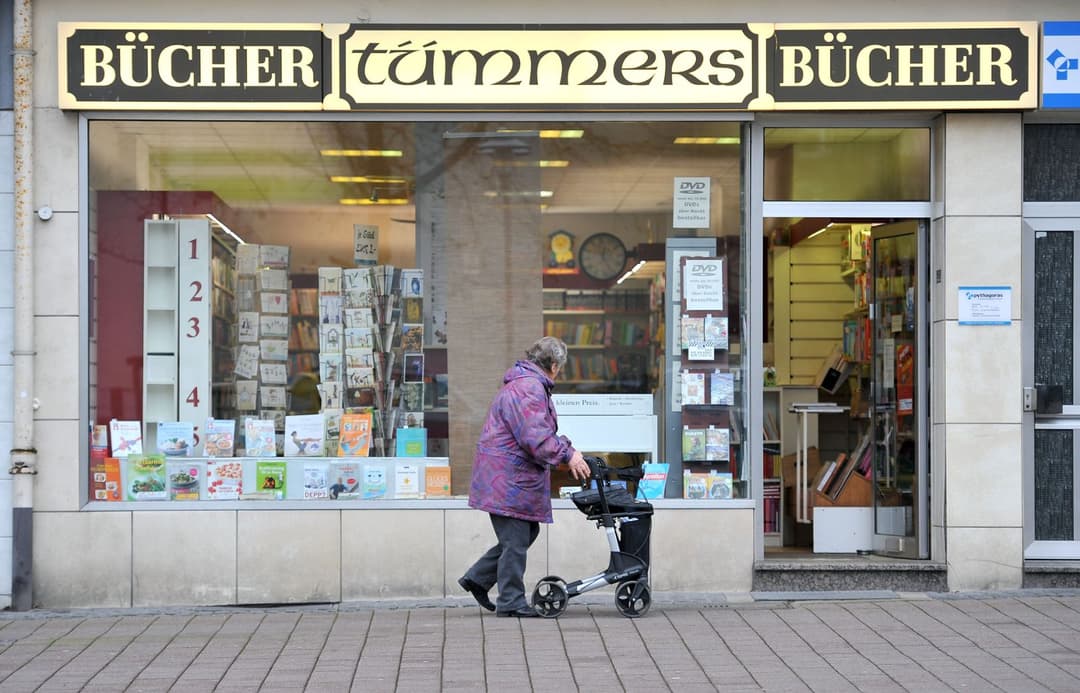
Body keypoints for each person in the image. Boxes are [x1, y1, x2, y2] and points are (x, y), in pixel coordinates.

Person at [459, 336, 591, 617]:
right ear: (553, 365)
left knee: (525, 533)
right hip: (508, 480)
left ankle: (478, 578)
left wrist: (565, 450)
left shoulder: (525, 383)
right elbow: (537, 439)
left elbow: (535, 435)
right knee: (516, 540)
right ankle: (511, 601)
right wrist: (569, 455)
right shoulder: (529, 388)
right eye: (560, 367)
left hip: (505, 477)